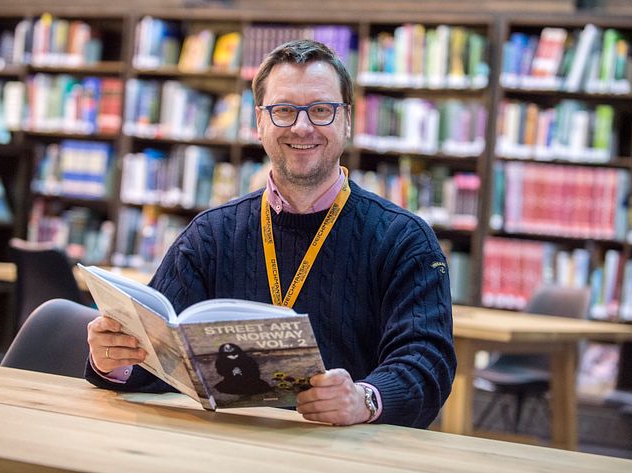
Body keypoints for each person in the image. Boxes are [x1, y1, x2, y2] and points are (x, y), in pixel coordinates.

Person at [86, 39, 456, 428]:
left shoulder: (404, 240)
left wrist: (364, 399)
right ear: (259, 122)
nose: (302, 126)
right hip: (228, 447)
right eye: (283, 110)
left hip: (349, 451)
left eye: (321, 110)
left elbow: (426, 365)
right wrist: (113, 359)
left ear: (347, 120)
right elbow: (157, 360)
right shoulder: (210, 236)